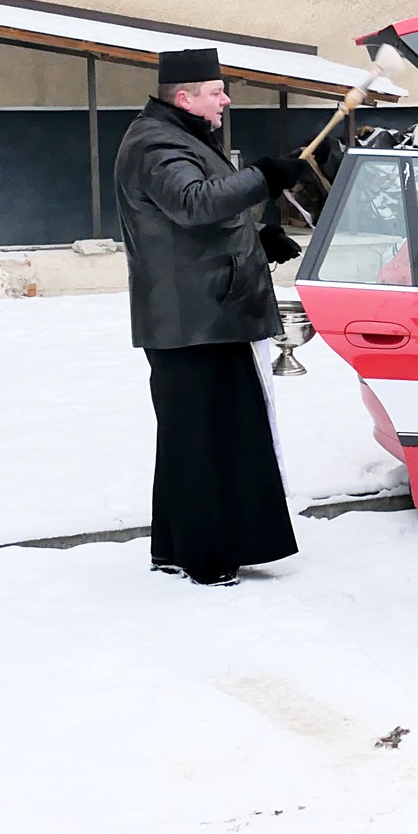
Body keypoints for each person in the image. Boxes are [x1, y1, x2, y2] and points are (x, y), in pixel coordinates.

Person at [115, 48, 308, 584]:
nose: (225, 99)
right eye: (216, 91)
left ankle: (177, 547)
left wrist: (257, 233)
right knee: (199, 438)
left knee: (200, 434)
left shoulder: (178, 136)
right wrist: (266, 179)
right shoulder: (156, 142)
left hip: (206, 313)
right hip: (189, 320)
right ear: (185, 97)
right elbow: (194, 202)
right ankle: (207, 558)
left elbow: (196, 217)